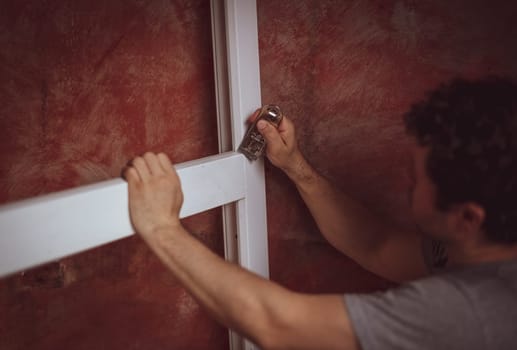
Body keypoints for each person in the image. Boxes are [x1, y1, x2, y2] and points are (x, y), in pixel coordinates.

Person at [123, 78, 517, 349]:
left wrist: (161, 227)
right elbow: (375, 245)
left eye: (416, 181)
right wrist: (296, 167)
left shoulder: (473, 312)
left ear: (467, 218)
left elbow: (277, 325)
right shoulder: (478, 246)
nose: (406, 182)